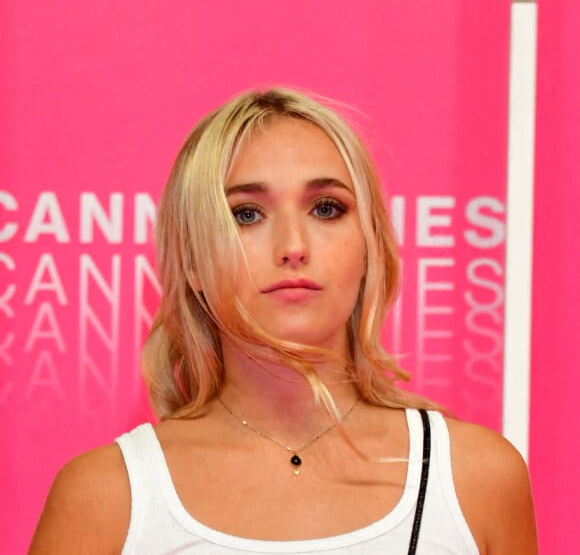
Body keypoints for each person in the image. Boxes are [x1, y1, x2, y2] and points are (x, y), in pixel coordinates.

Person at [30, 87, 537, 554]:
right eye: (246, 214)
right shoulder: (103, 498)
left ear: (370, 247)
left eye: (326, 208)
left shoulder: (478, 480)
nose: (293, 247)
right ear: (192, 263)